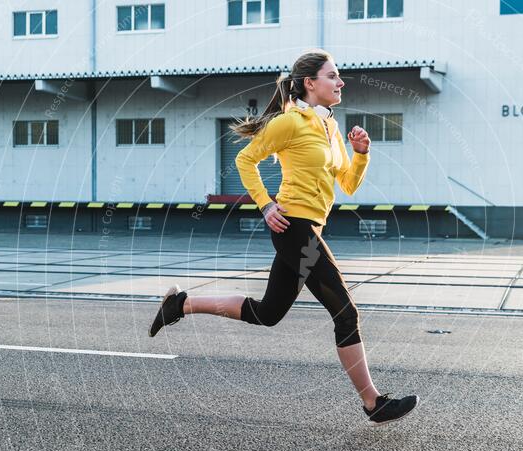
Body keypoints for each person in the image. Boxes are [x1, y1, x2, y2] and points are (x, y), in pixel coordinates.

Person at [149, 49, 417, 425]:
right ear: (310, 83)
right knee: (346, 311)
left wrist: (361, 154)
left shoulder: (330, 127)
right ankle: (374, 403)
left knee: (268, 312)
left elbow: (349, 185)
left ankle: (180, 304)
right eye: (333, 76)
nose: (341, 83)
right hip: (294, 227)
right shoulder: (290, 122)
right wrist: (265, 204)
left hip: (310, 228)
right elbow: (245, 160)